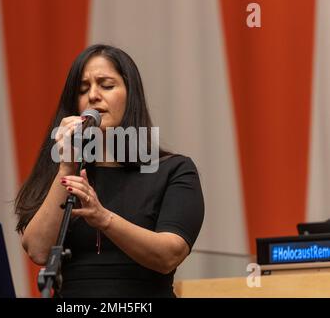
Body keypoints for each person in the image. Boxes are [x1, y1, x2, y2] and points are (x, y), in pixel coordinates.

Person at [15, 44, 204, 298]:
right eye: (83, 89)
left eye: (106, 85)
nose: (93, 95)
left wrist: (104, 219)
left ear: (130, 95)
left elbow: (169, 255)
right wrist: (68, 165)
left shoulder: (173, 170)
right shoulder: (62, 169)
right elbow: (38, 251)